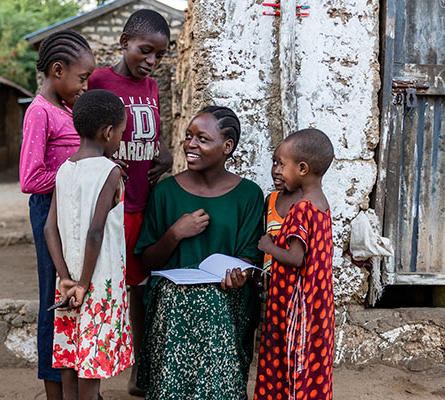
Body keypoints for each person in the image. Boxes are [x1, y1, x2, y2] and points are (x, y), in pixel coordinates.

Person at [135, 106, 264, 400]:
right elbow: (148, 261)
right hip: (172, 291)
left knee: (212, 300)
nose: (191, 145)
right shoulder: (165, 192)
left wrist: (239, 275)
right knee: (185, 299)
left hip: (228, 294)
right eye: (188, 137)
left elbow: (248, 259)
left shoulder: (249, 195)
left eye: (203, 139)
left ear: (227, 147)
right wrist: (175, 233)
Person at [86, 9, 173, 395]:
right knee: (105, 289)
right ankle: (95, 373)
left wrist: (165, 153)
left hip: (144, 203)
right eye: (145, 51)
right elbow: (86, 135)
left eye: (159, 55)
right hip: (114, 206)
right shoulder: (99, 81)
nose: (151, 61)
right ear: (124, 43)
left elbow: (152, 133)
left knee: (140, 291)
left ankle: (141, 369)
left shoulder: (151, 88)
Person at [18, 30, 95, 400]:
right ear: (58, 70)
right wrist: (75, 171)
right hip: (50, 213)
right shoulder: (39, 112)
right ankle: (54, 389)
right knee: (55, 297)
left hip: (72, 214)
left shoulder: (65, 110)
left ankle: (76, 384)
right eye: (82, 78)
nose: (85, 85)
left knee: (74, 295)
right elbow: (30, 178)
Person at [45, 89, 133, 400]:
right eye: (121, 133)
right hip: (98, 283)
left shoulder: (65, 169)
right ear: (108, 132)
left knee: (70, 356)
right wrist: (83, 283)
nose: (120, 139)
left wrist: (66, 278)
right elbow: (96, 232)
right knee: (91, 364)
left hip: (67, 282)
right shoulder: (109, 171)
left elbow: (49, 229)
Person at [254, 129, 335, 400]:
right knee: (311, 360)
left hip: (294, 303)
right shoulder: (321, 205)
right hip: (316, 302)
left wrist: (268, 246)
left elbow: (295, 258)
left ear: (302, 168)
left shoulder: (301, 209)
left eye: (281, 163)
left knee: (286, 356)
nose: (277, 169)